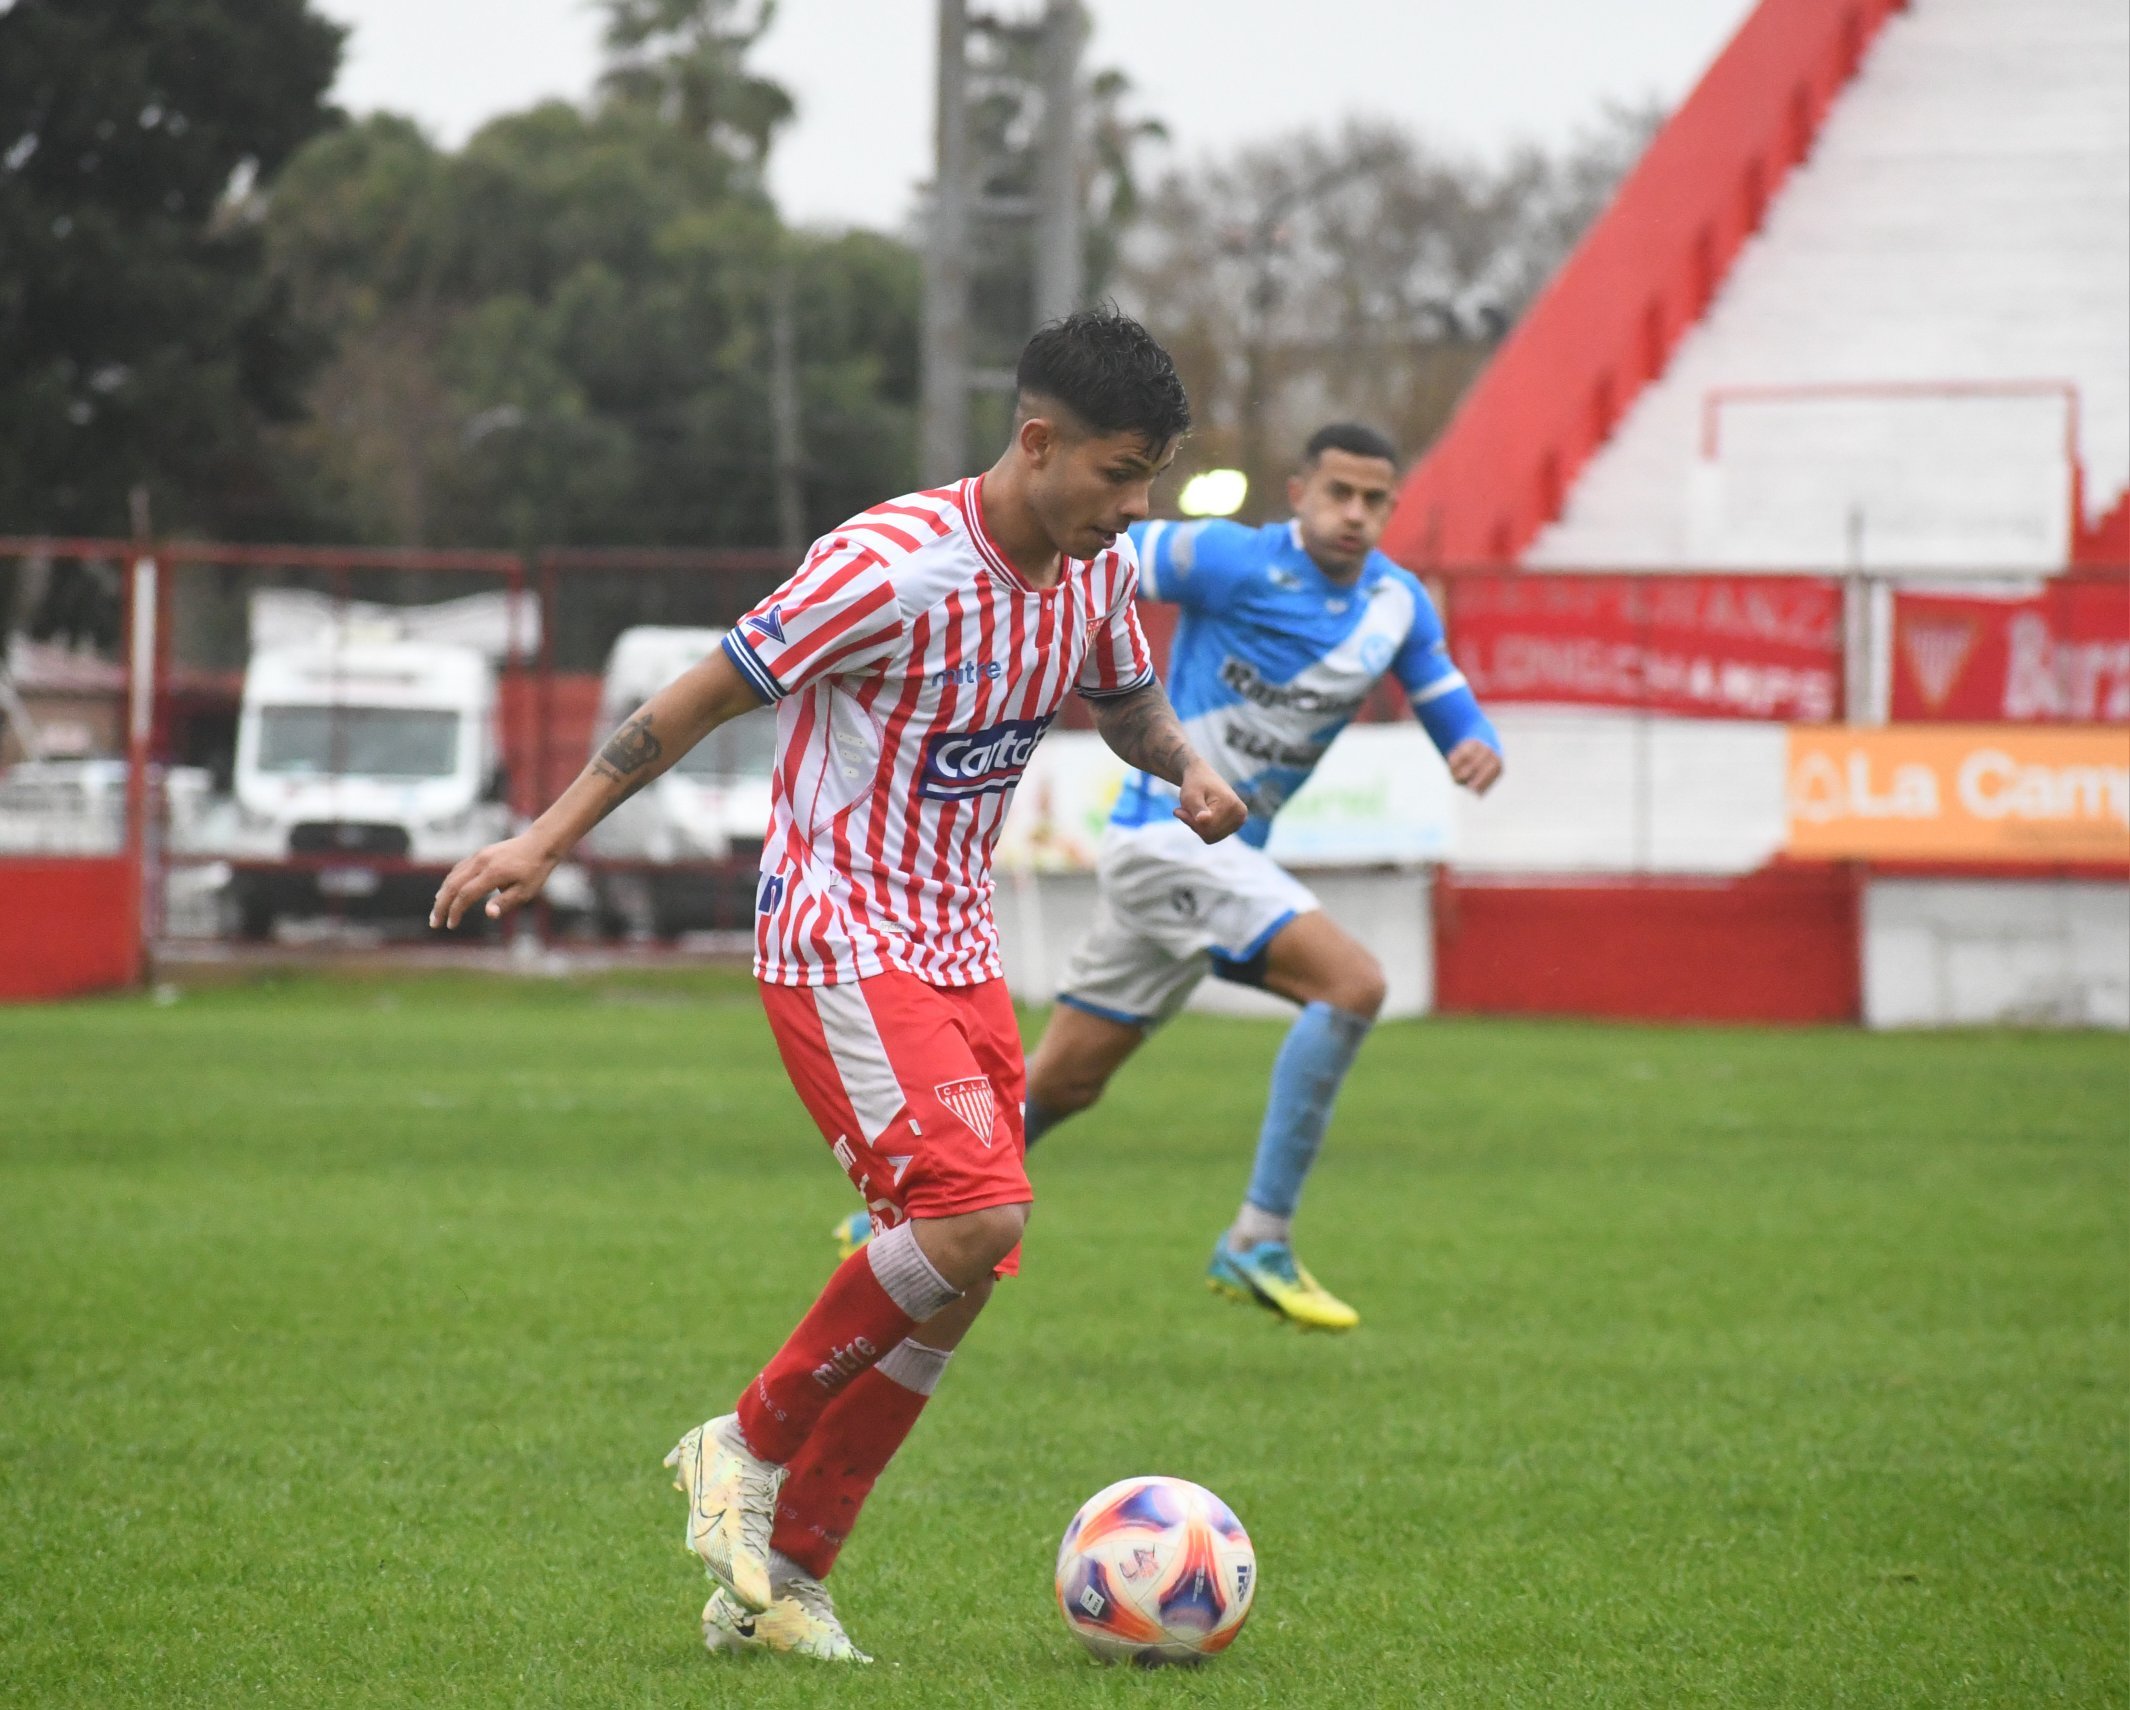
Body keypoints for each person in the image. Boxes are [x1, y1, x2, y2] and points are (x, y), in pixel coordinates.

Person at [429, 308, 1246, 1665]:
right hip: (838, 934)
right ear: (1036, 441)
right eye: (1117, 471)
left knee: (965, 1272)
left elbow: (1126, 702)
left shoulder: (1097, 571)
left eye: (1148, 476)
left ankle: (785, 1580)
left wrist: (1185, 763)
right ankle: (740, 1441)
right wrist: (542, 836)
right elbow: (695, 696)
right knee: (974, 1216)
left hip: (959, 947)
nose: (1135, 503)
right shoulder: (890, 566)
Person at [1018, 422, 1503, 1331]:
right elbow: (1095, 551)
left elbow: (1436, 680)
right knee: (1353, 985)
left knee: (1068, 1081)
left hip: (1220, 857)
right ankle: (1258, 1239)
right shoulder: (1231, 560)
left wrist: (1474, 740)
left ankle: (912, 1216)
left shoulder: (1397, 603)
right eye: (1339, 494)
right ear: (1298, 492)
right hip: (1168, 838)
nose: (1355, 515)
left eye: (1375, 501)